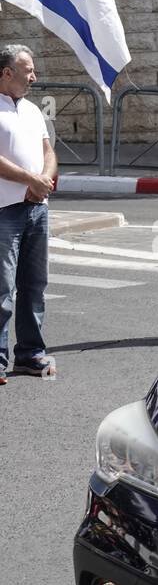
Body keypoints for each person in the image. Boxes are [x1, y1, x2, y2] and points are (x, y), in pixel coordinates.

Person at [0, 44, 57, 384]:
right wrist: (29, 179)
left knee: (34, 285)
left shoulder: (34, 110)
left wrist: (44, 179)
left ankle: (30, 354)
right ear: (7, 72)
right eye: (28, 71)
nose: (34, 76)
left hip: (38, 208)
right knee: (2, 288)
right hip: (5, 209)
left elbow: (48, 150)